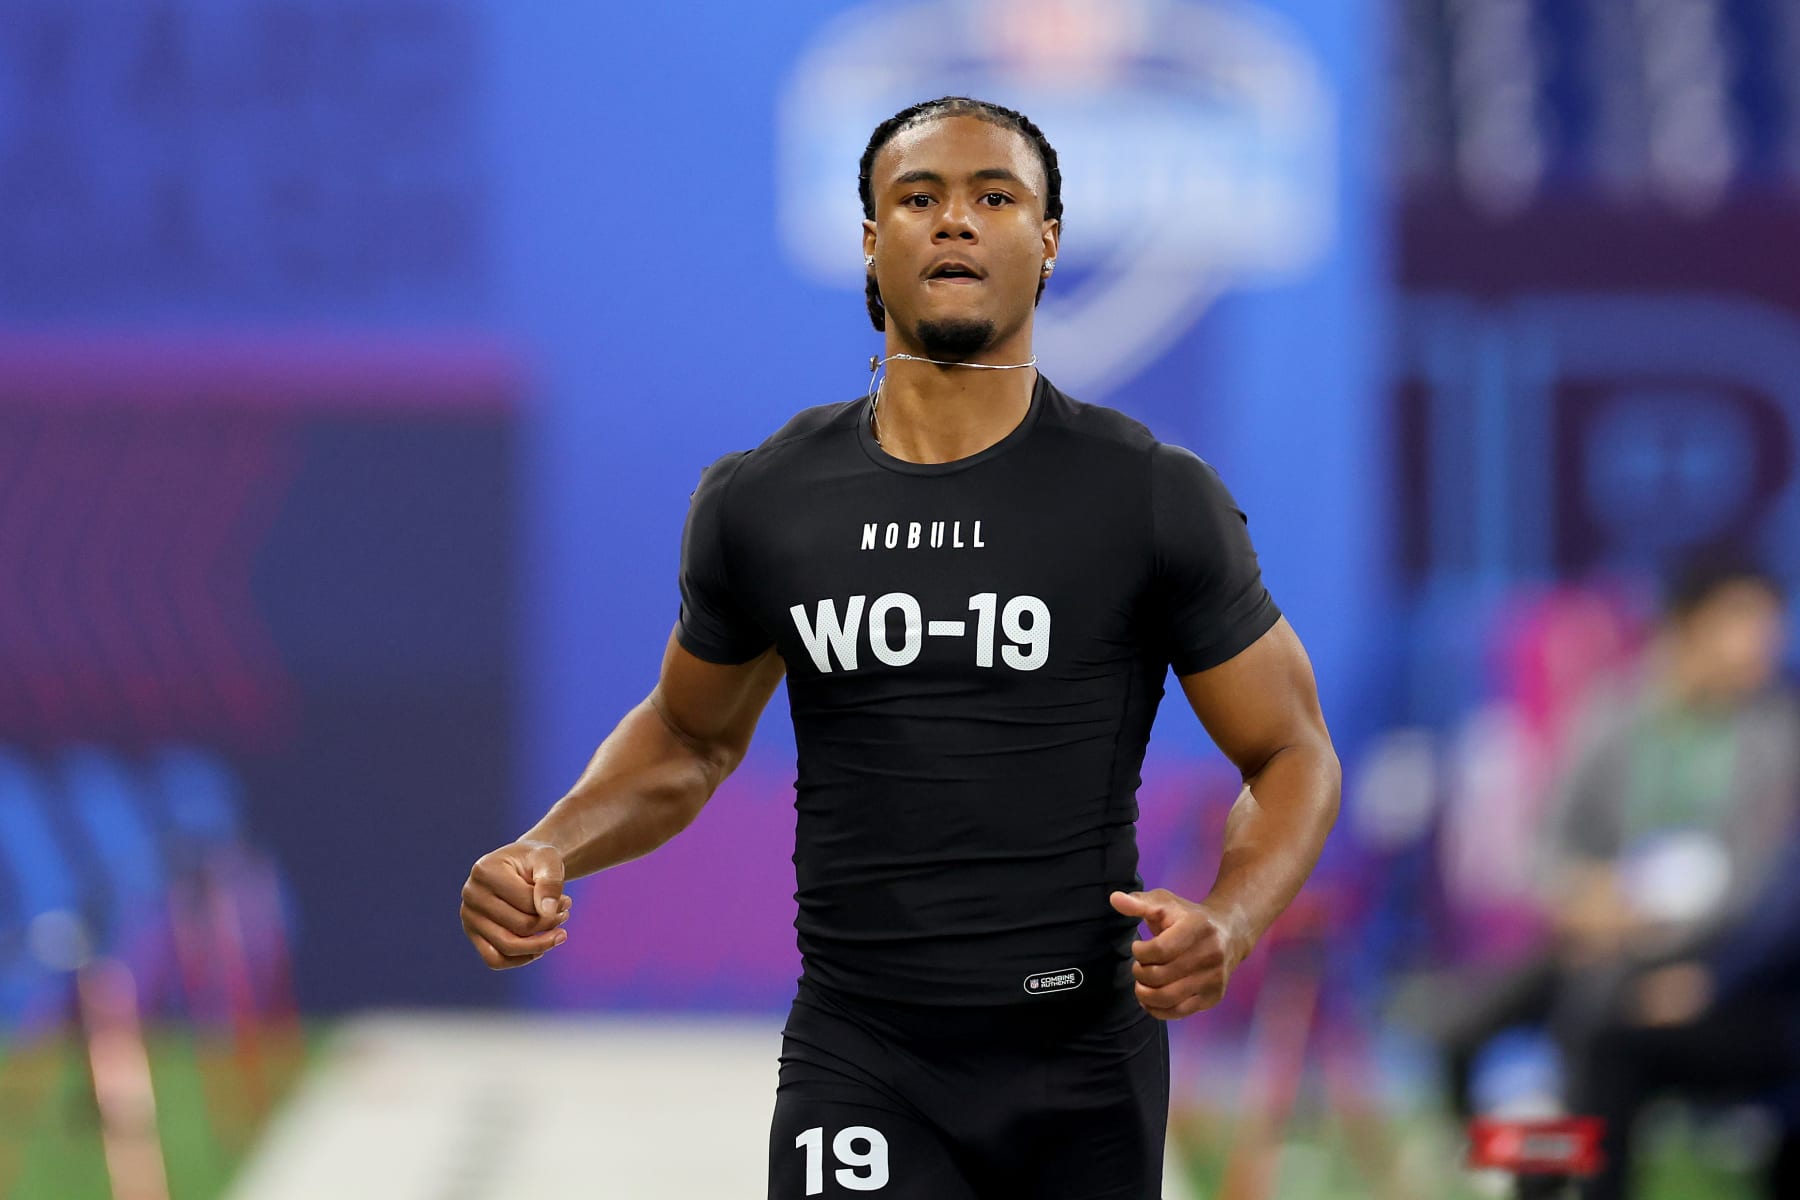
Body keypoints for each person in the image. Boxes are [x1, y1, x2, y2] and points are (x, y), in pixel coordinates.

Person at [459, 96, 1340, 1199]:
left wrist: (1231, 917)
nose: (955, 222)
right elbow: (686, 739)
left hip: (1080, 1061)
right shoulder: (764, 499)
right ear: (874, 242)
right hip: (862, 1054)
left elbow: (1292, 752)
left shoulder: (1150, 495)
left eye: (995, 197)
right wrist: (547, 848)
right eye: (918, 199)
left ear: (1049, 241)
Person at [1430, 559, 1799, 1121]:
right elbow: (1547, 845)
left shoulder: (1780, 735)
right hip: (1602, 934)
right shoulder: (1615, 717)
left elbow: (1775, 888)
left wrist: (1694, 959)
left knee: (1594, 1028)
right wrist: (1580, 897)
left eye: (1769, 628)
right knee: (1465, 1028)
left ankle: (1559, 1167)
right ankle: (1495, 1162)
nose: (1761, 646)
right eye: (1742, 625)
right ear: (1686, 626)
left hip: (1715, 957)